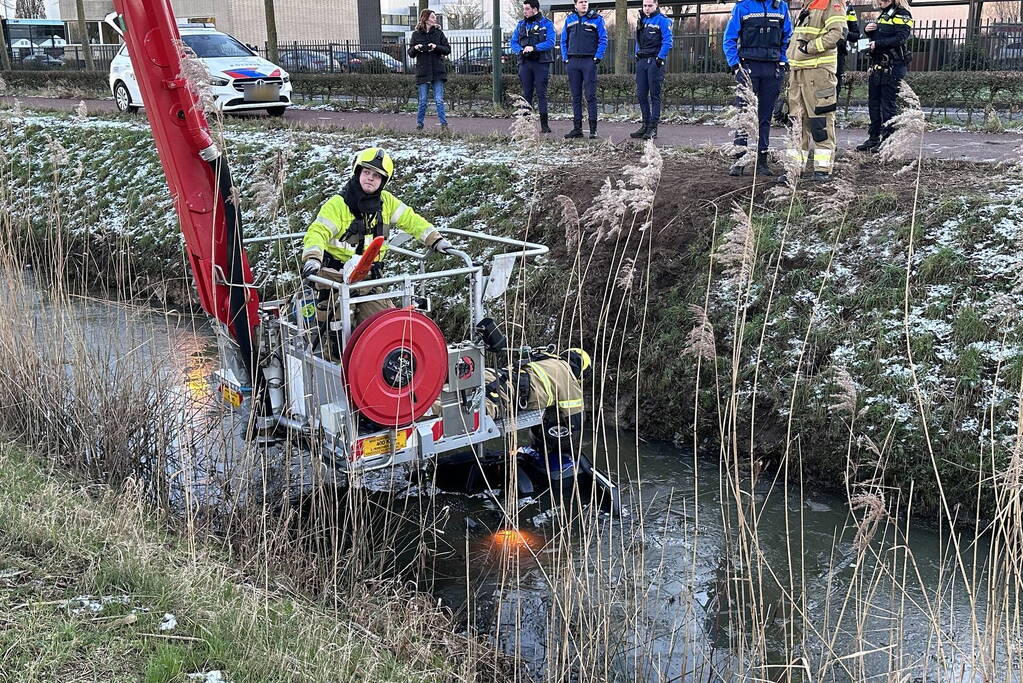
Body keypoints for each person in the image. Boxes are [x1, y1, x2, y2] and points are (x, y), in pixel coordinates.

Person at [301, 148, 452, 331]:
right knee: (336, 332)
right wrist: (313, 257)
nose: (370, 178)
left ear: (383, 181)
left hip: (370, 280)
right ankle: (335, 357)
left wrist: (435, 239)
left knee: (386, 328)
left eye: (376, 176)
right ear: (357, 173)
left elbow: (412, 220)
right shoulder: (337, 205)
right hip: (336, 280)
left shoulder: (386, 202)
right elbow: (317, 232)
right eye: (366, 172)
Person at [483, 348, 591, 468]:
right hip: (502, 396)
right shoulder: (568, 377)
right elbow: (576, 420)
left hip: (493, 375)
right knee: (470, 422)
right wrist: (575, 453)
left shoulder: (547, 358)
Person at [723, 0, 793, 176]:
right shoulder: (743, 7)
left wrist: (783, 61)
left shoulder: (781, 7)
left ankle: (762, 161)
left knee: (765, 117)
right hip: (748, 67)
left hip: (772, 68)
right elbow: (729, 38)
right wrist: (735, 65)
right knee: (744, 116)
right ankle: (740, 160)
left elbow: (788, 37)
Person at [785, 0, 846, 181]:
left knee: (821, 122)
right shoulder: (808, 6)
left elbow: (837, 33)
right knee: (797, 123)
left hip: (818, 73)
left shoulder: (831, 4)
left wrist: (809, 48)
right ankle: (795, 168)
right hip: (798, 73)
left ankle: (822, 170)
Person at [856, 0, 912, 152]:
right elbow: (881, 36)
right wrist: (869, 32)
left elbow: (901, 38)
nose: (879, 2)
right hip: (878, 66)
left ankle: (888, 141)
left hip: (892, 66)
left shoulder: (902, 14)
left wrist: (877, 44)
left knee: (887, 106)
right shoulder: (883, 15)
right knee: (873, 104)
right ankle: (873, 138)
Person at [560, 0, 607, 139]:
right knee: (576, 97)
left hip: (588, 61)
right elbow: (563, 40)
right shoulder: (569, 19)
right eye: (581, 2)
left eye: (586, 1)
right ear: (575, 5)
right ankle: (577, 129)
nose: (584, 4)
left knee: (590, 96)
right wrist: (565, 58)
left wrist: (597, 57)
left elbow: (603, 39)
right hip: (573, 61)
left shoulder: (597, 19)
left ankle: (593, 130)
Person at [510, 0, 557, 134]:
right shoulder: (521, 25)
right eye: (524, 9)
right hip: (525, 63)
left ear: (535, 9)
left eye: (527, 9)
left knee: (541, 93)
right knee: (526, 94)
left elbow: (550, 42)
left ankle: (544, 126)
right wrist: (521, 50)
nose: (524, 11)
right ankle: (526, 126)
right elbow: (513, 42)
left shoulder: (546, 24)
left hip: (541, 63)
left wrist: (534, 48)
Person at [630, 0, 673, 141]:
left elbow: (668, 41)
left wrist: (660, 58)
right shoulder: (641, 20)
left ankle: (653, 128)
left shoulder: (662, 20)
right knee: (641, 95)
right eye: (645, 6)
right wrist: (637, 53)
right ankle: (645, 125)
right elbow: (638, 40)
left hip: (654, 60)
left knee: (655, 95)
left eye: (650, 5)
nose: (647, 8)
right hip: (642, 60)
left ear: (656, 5)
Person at [408, 10, 451, 131]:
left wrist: (436, 47)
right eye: (433, 17)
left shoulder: (438, 33)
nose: (435, 19)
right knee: (422, 100)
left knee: (439, 99)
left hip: (437, 71)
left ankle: (444, 124)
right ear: (426, 19)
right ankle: (419, 124)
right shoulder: (416, 35)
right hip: (423, 71)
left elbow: (448, 49)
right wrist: (415, 48)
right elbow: (410, 53)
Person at [835, 2, 861, 98]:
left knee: (835, 88)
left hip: (838, 54)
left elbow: (855, 36)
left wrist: (845, 33)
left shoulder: (848, 8)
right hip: (819, 53)